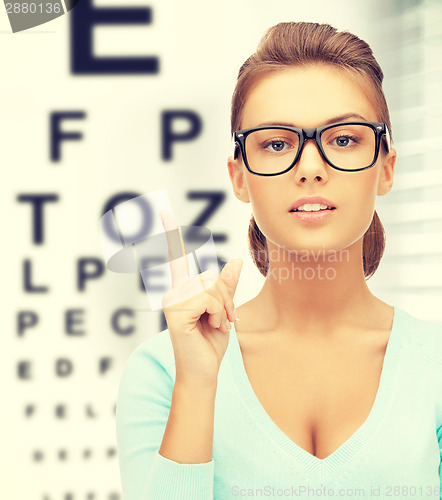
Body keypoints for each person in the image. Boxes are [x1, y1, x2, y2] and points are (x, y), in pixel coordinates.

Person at [115, 22, 442, 499]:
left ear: (386, 167)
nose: (311, 167)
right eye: (276, 143)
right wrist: (198, 386)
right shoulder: (164, 372)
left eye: (344, 139)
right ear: (240, 177)